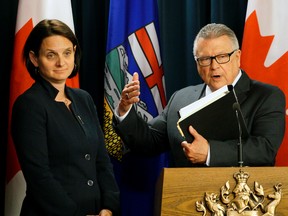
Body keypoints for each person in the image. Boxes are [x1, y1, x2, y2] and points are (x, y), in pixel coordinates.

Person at [113, 23, 286, 167]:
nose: (214, 66)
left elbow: (265, 150)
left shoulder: (266, 96)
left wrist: (210, 152)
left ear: (238, 57)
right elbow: (148, 142)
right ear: (197, 63)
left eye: (222, 56)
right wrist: (125, 111)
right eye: (205, 59)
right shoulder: (180, 99)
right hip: (184, 202)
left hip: (243, 202)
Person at [11, 19, 120, 216]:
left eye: (67, 53)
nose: (61, 62)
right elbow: (39, 176)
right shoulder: (28, 105)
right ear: (35, 59)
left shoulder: (83, 99)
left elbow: (102, 161)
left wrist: (109, 207)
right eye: (51, 55)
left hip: (97, 211)